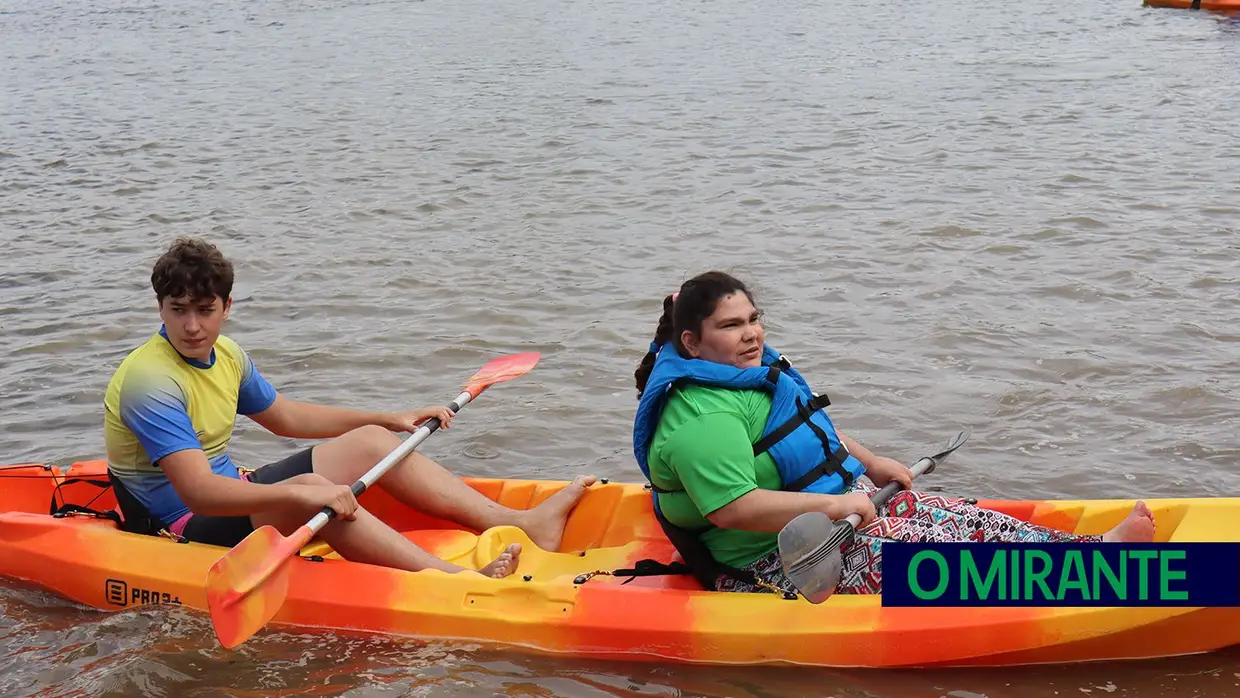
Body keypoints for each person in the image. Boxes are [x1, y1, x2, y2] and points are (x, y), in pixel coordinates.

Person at [631, 271, 1156, 595]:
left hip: (838, 508)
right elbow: (732, 509)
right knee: (938, 562)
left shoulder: (749, 373)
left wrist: (873, 461)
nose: (751, 334)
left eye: (753, 318)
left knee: (965, 520)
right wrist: (835, 509)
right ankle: (1093, 583)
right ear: (691, 344)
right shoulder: (700, 416)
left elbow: (803, 431)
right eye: (731, 326)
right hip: (780, 558)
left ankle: (1096, 553)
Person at [104, 237, 596, 579]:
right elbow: (201, 494)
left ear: (226, 307)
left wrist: (384, 417)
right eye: (178, 310)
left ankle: (523, 523)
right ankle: (455, 579)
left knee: (372, 444)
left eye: (204, 310)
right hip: (181, 526)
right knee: (317, 490)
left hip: (234, 492)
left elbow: (286, 418)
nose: (191, 325)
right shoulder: (152, 381)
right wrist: (298, 497)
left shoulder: (227, 353)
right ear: (160, 308)